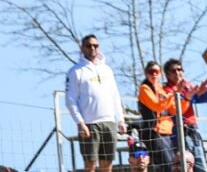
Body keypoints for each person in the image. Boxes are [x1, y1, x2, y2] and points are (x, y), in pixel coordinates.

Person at [65, 35, 128, 172]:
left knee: (107, 163)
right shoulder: (75, 71)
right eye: (89, 46)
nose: (92, 48)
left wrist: (121, 120)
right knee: (90, 163)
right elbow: (70, 100)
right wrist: (80, 123)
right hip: (89, 124)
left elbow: (115, 96)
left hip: (109, 122)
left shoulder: (107, 69)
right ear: (82, 48)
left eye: (95, 45)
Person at [163, 58, 207, 172]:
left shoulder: (186, 85)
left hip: (193, 131)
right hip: (178, 133)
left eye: (180, 69)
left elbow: (201, 98)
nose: (177, 73)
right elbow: (175, 107)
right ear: (167, 74)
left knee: (201, 165)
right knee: (183, 166)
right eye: (173, 71)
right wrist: (189, 96)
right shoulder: (166, 90)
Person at [137, 61, 176, 172]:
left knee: (171, 165)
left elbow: (173, 109)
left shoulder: (161, 89)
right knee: (166, 166)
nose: (154, 74)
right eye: (151, 71)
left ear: (160, 74)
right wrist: (171, 96)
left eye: (156, 71)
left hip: (166, 132)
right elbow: (156, 106)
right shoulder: (144, 88)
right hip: (154, 133)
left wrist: (187, 98)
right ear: (146, 73)